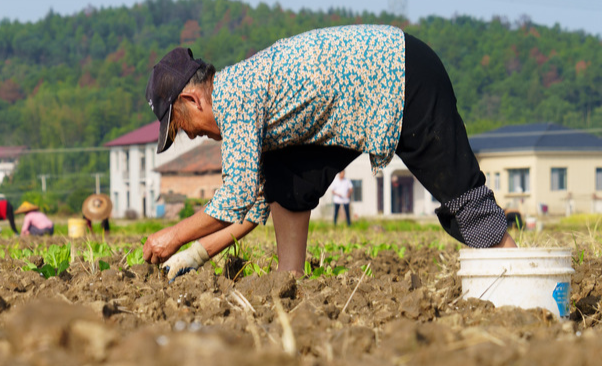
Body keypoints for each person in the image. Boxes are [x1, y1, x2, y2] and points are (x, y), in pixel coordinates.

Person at [141, 24, 517, 280]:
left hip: (402, 73)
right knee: (285, 180)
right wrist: (193, 256)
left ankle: (521, 279)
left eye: (181, 126)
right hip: (362, 92)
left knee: (463, 198)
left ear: (192, 99)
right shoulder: (239, 100)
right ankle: (289, 283)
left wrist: (174, 236)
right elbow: (252, 205)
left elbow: (234, 197)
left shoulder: (235, 98)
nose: (190, 137)